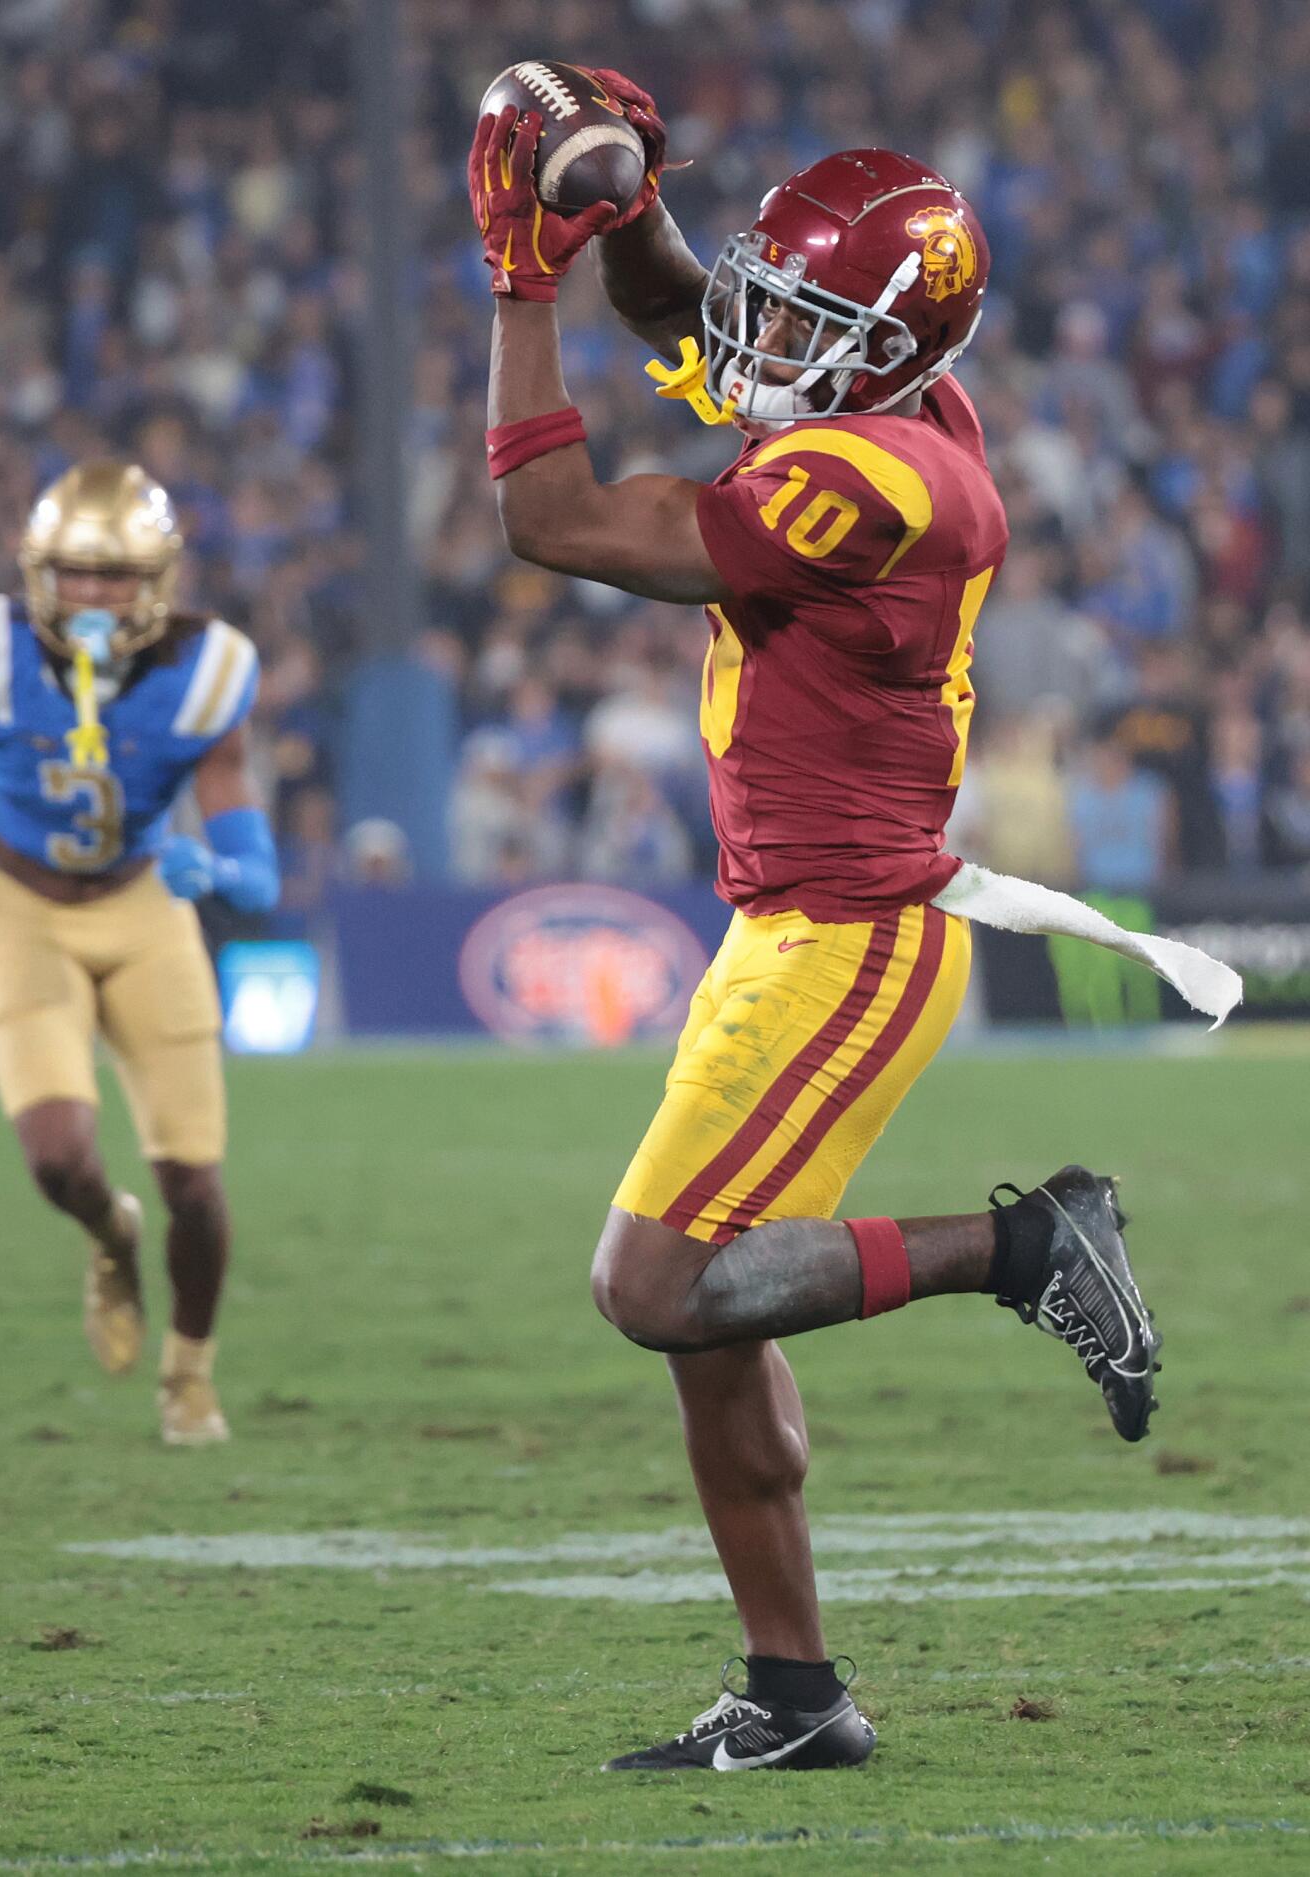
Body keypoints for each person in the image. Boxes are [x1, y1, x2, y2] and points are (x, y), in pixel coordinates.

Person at [470, 77, 1161, 1772]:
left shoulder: (876, 482)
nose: (762, 330)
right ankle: (797, 1698)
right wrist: (623, 214)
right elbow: (692, 312)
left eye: (803, 311)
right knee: (720, 1341)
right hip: (786, 931)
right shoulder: (882, 389)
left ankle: (1028, 1246)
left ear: (884, 347)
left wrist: (515, 277)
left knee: (657, 1284)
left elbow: (550, 523)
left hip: (850, 940)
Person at [0, 462, 276, 1446]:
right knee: (55, 1157)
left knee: (195, 1183)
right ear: (39, 572)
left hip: (139, 912)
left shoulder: (201, 671)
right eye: (75, 572)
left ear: (156, 578)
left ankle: (188, 1371)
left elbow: (240, 824)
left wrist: (229, 869)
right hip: (25, 909)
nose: (91, 595)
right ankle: (107, 1232)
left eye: (114, 575)